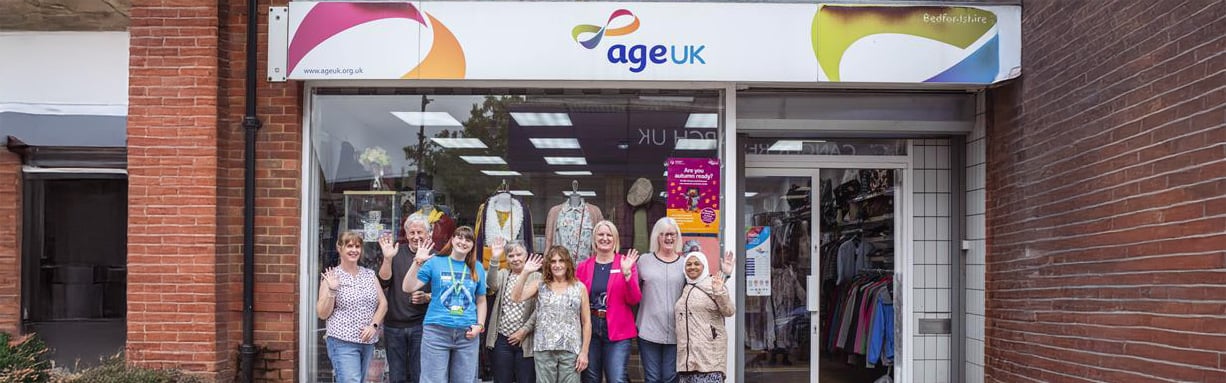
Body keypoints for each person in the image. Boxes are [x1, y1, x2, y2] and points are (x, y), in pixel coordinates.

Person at [402, 226, 488, 383]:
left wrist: (480, 325)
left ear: (472, 246)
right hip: (436, 332)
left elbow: (481, 300)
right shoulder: (435, 262)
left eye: (468, 240)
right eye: (460, 237)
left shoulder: (478, 267)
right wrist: (417, 262)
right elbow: (407, 287)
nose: (463, 242)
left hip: (467, 334)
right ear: (452, 239)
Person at [512, 246, 592, 383]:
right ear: (548, 265)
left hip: (571, 349)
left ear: (568, 263)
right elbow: (516, 297)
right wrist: (525, 272)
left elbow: (586, 322)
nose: (557, 265)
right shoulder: (540, 284)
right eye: (553, 261)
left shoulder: (579, 287)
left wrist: (584, 352)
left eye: (561, 261)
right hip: (544, 349)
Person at [318, 231, 388, 383]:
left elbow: (383, 304)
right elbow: (322, 313)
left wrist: (373, 326)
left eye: (357, 246)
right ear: (339, 248)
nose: (354, 250)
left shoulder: (369, 274)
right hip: (342, 341)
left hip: (367, 342)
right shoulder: (332, 276)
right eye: (349, 246)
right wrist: (332, 290)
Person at [377, 214, 440, 383]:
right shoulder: (395, 253)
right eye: (411, 232)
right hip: (394, 325)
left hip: (423, 326)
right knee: (397, 376)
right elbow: (383, 281)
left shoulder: (437, 257)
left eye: (420, 232)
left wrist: (427, 297)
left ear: (429, 234)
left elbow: (445, 293)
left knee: (420, 375)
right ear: (406, 234)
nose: (416, 236)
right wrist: (388, 258)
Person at [577, 220, 641, 383]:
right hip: (590, 328)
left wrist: (627, 276)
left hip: (618, 330)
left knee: (616, 378)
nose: (605, 238)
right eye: (601, 234)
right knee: (591, 378)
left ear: (615, 239)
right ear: (594, 238)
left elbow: (634, 299)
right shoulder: (584, 267)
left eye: (609, 235)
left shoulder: (625, 263)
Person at [635, 218, 686, 383]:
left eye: (672, 234)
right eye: (663, 234)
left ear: (677, 237)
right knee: (652, 378)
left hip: (676, 332)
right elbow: (631, 292)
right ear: (657, 237)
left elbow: (701, 289)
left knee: (670, 378)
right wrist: (627, 274)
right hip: (648, 330)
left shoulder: (685, 264)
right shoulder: (644, 261)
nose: (668, 238)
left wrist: (726, 275)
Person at [485, 238, 541, 383]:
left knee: (526, 379)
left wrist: (524, 331)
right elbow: (492, 284)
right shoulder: (504, 274)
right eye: (511, 256)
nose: (515, 259)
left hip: (526, 339)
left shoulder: (537, 276)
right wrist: (495, 258)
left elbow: (540, 309)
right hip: (503, 338)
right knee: (502, 378)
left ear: (526, 255)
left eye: (519, 254)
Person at [675, 252, 735, 383]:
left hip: (709, 360)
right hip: (688, 361)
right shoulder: (686, 287)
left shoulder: (713, 284)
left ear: (704, 266)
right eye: (689, 264)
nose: (692, 267)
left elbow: (729, 310)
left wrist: (720, 290)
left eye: (697, 264)